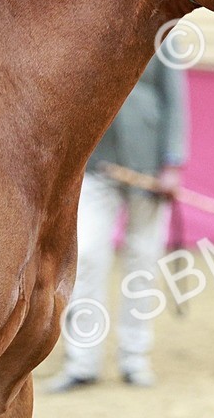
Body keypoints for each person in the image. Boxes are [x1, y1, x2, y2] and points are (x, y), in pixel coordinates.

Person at [46, 53, 188, 392]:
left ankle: (134, 359)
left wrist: (172, 163)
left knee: (142, 261)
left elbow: (175, 98)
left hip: (149, 168)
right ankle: (81, 363)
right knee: (89, 257)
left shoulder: (166, 30)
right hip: (95, 164)